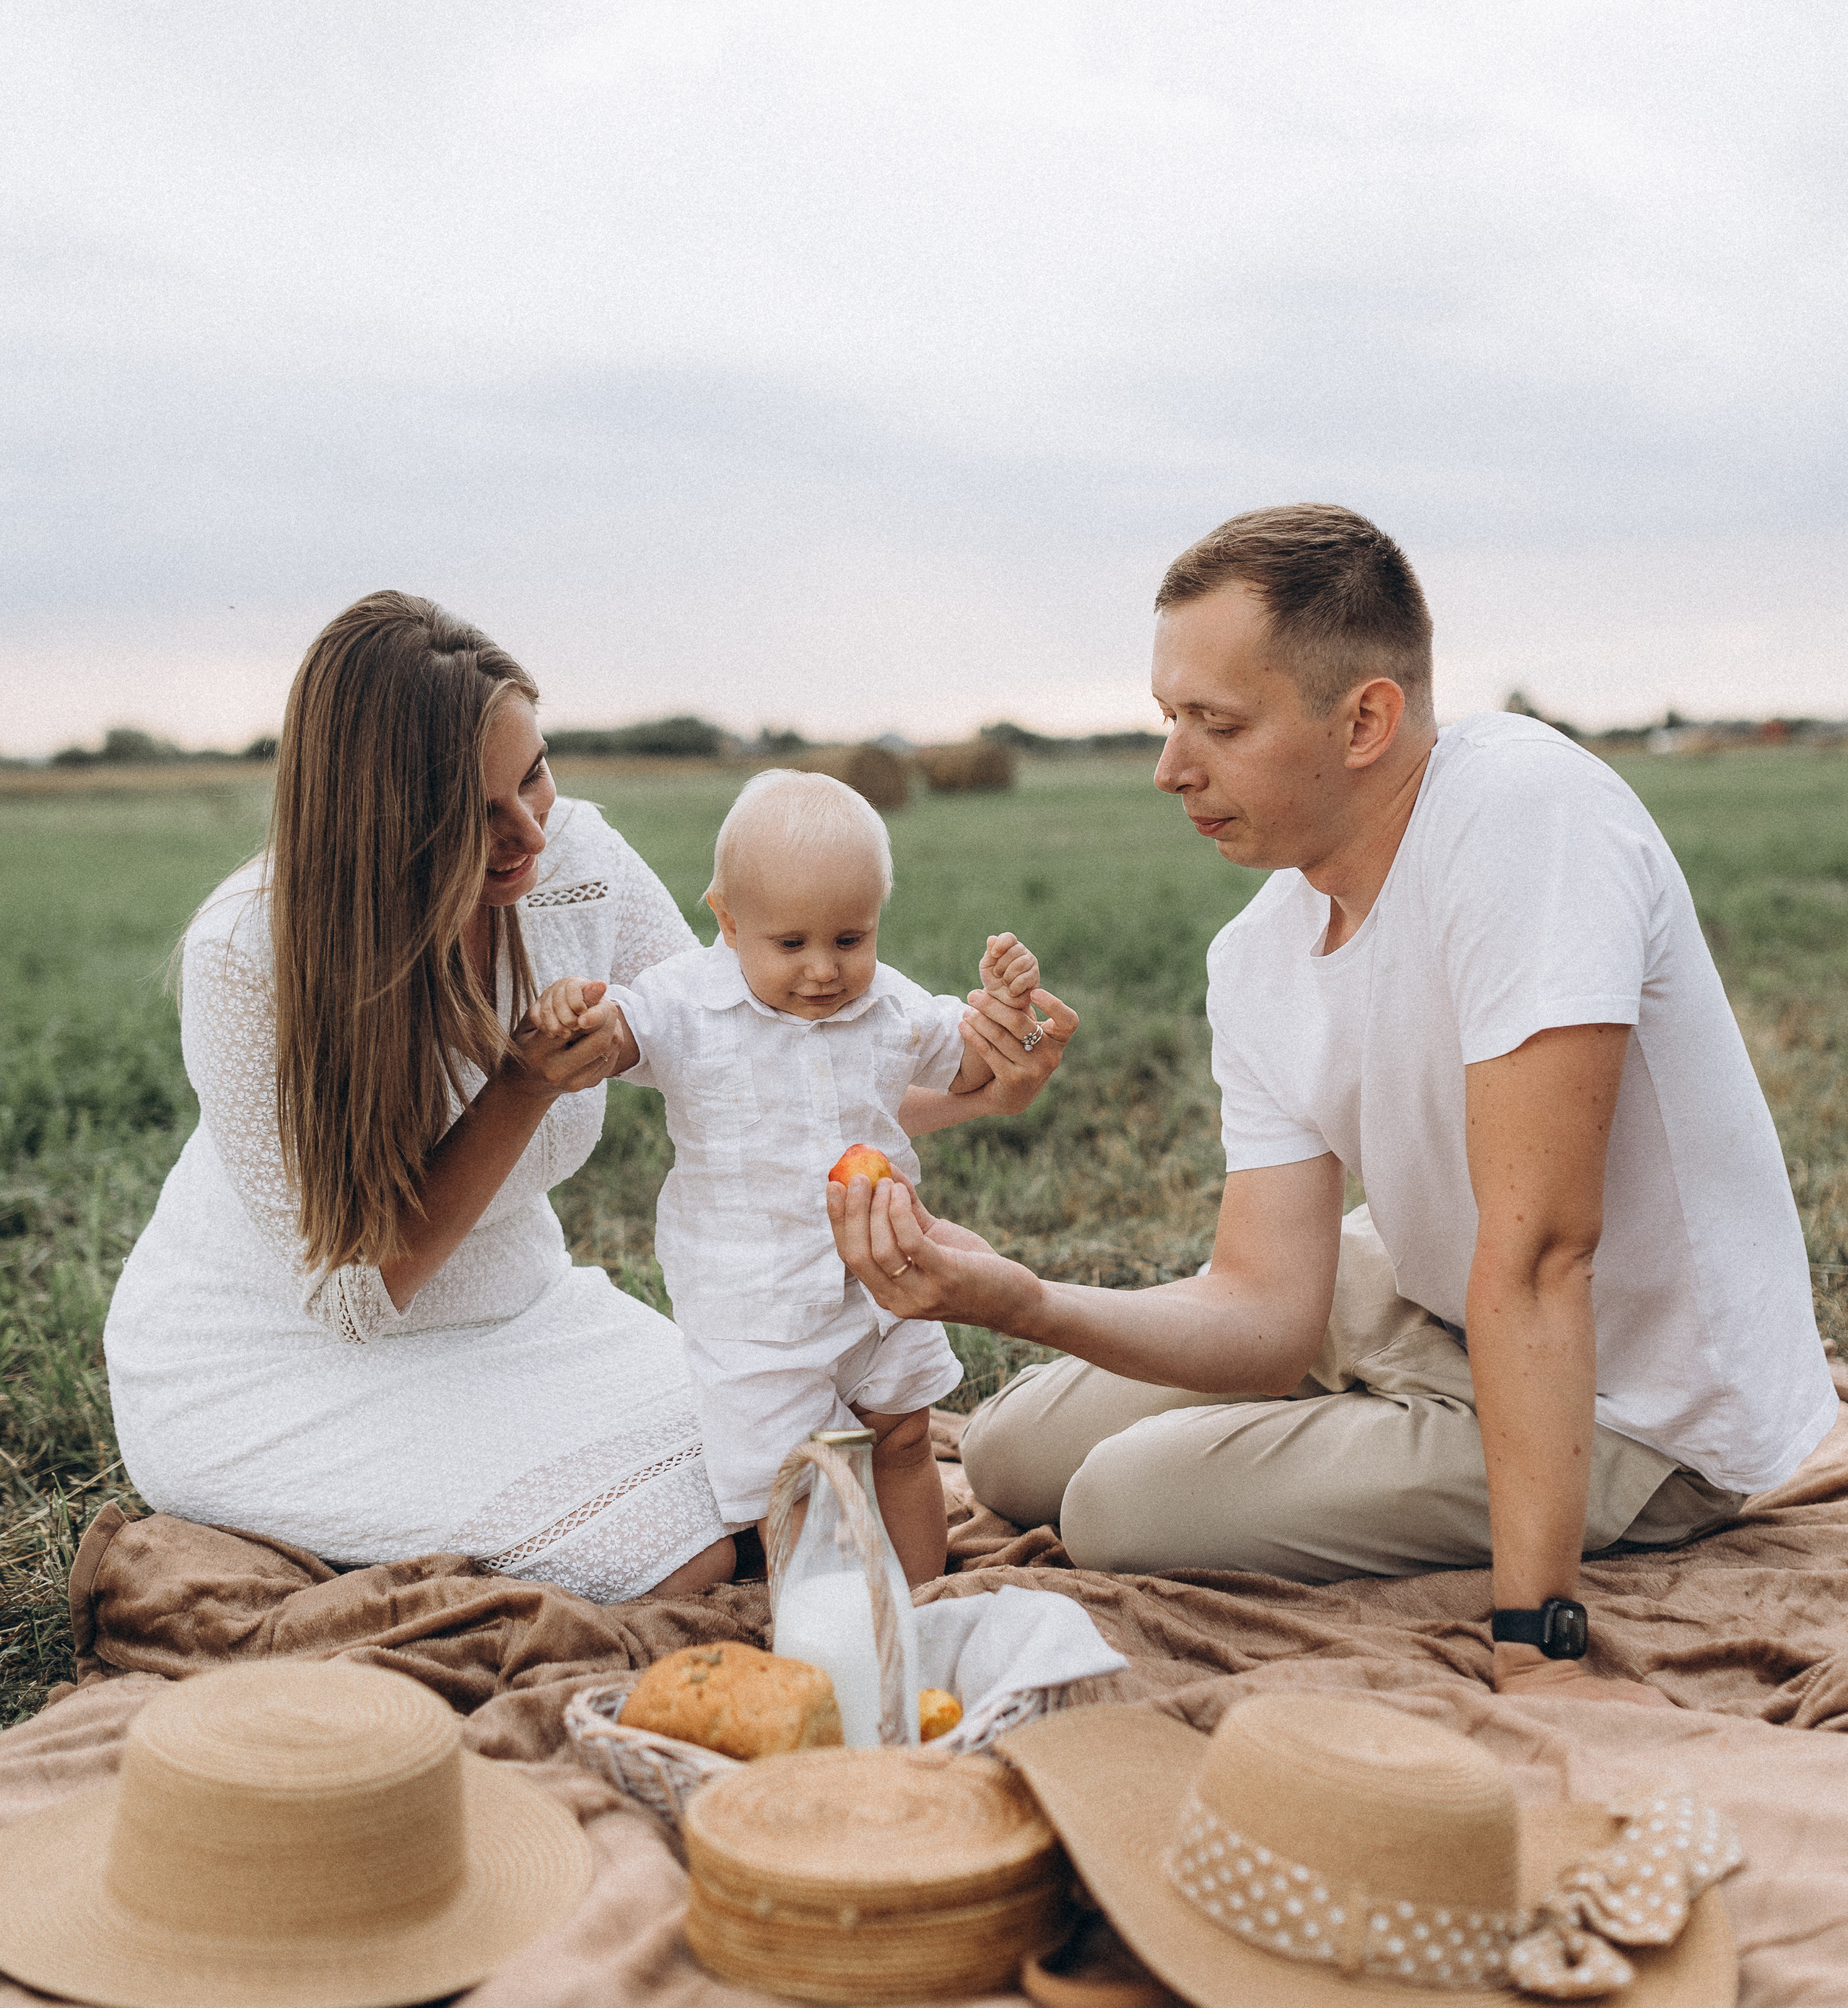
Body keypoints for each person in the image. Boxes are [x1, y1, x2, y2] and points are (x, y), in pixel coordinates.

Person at [828, 505, 1839, 1703]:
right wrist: (1024, 1299)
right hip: (1421, 1291)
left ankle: (1411, 1439)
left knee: (1113, 1506)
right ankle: (1368, 1406)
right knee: (1005, 1455)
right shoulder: (1257, 955)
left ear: (1367, 719)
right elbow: (1264, 1310)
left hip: (1643, 1402)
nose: (1170, 769)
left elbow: (1544, 1258)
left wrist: (1542, 1640)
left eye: (1219, 725)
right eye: (1168, 720)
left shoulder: (1524, 819)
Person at [103, 594, 1070, 1601]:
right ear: (377, 821)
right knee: (682, 1549)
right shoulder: (248, 957)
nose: (530, 832)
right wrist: (519, 1086)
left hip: (528, 1312)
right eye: (475, 813)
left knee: (802, 1463)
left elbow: (758, 1068)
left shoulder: (581, 861)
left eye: (536, 775)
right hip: (280, 1363)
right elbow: (356, 1297)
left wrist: (982, 1085)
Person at [525, 768, 1071, 1582]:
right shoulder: (688, 1002)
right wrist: (581, 1014)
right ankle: (835, 1634)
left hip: (886, 1281)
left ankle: (918, 1609)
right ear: (728, 920)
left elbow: (972, 1071)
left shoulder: (890, 1007)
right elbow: (624, 1031)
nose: (824, 969)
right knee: (803, 1483)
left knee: (905, 1438)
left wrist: (1011, 1020)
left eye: (849, 940)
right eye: (791, 945)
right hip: (757, 1310)